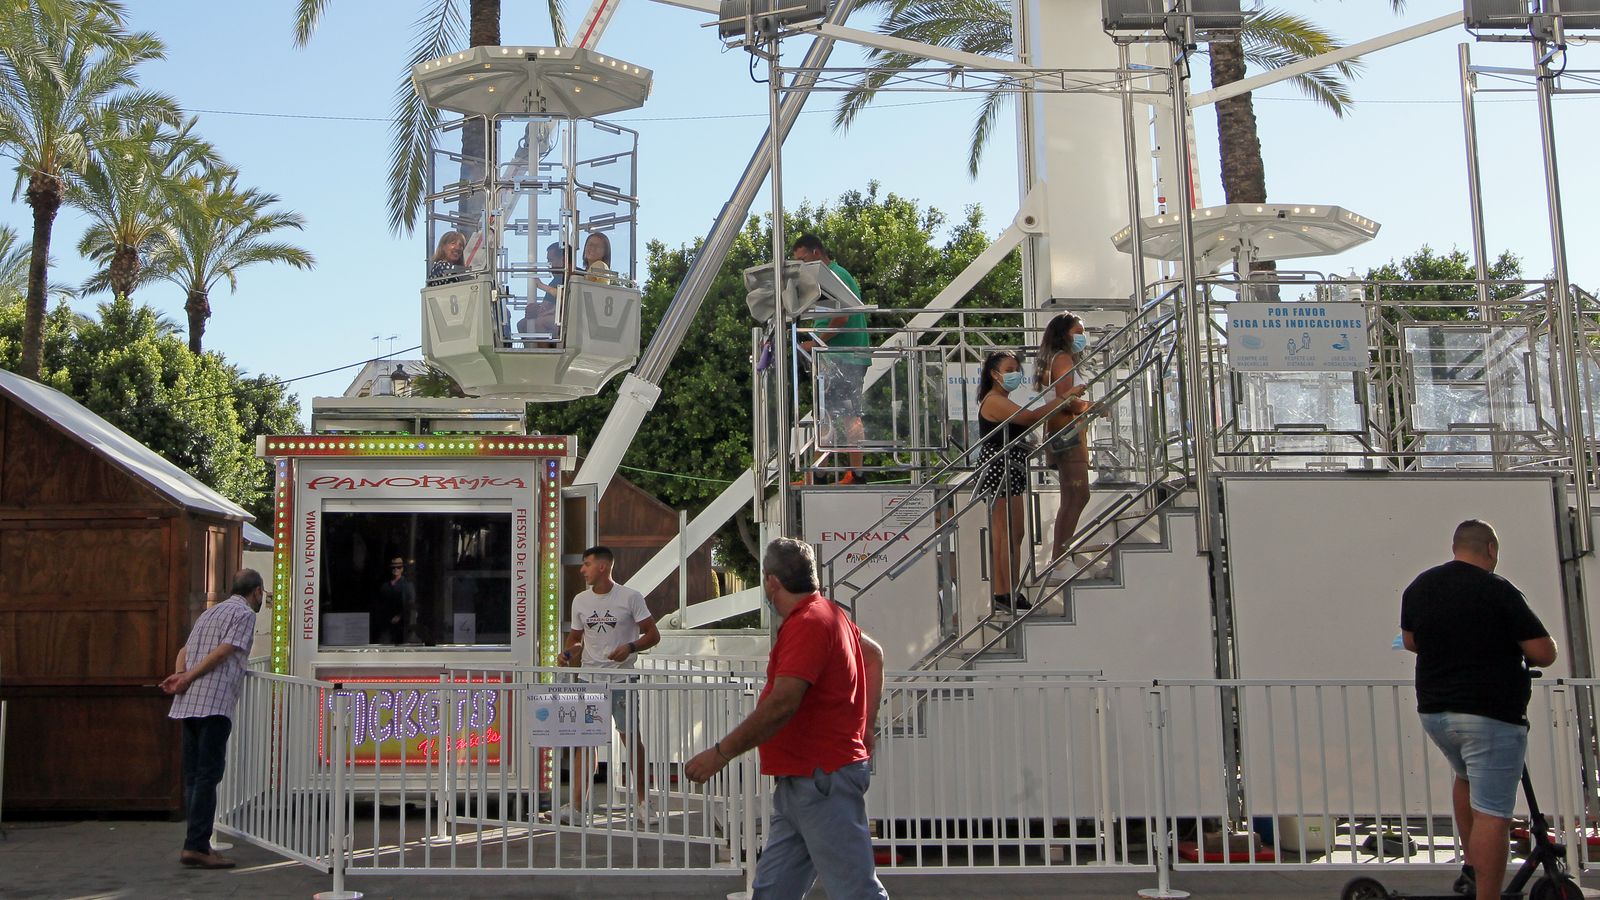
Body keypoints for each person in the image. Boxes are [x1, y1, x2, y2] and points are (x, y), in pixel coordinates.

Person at [685, 538, 888, 900]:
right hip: (806, 781)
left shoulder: (808, 623)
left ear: (772, 582)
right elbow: (874, 657)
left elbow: (783, 703)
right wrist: (866, 728)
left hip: (820, 778)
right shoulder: (830, 614)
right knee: (773, 891)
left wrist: (720, 753)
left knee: (856, 892)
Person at [1400, 519, 1558, 900]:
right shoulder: (1498, 590)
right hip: (1490, 715)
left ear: (1456, 546)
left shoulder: (1420, 586)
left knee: (1465, 776)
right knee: (1493, 812)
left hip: (1436, 712)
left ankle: (1471, 865)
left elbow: (1409, 641)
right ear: (1490, 549)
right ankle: (1486, 894)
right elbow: (1543, 653)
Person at [162, 569, 267, 870]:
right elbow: (224, 651)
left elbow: (185, 650)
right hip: (214, 701)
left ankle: (197, 841)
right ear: (257, 591)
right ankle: (196, 845)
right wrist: (189, 677)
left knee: (194, 776)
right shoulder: (244, 615)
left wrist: (182, 676)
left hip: (189, 703)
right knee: (208, 775)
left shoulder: (211, 612)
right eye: (263, 594)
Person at [557, 545, 660, 825]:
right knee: (586, 741)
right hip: (591, 680)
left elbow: (653, 634)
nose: (582, 570)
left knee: (630, 739)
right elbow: (576, 638)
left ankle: (642, 802)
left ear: (603, 567)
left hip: (622, 679)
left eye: (587, 564)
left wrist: (630, 647)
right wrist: (569, 653)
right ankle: (577, 806)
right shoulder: (580, 600)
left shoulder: (630, 597)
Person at [974, 350, 1078, 612]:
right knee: (1004, 534)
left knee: (1015, 534)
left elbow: (1026, 424)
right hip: (999, 467)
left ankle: (1008, 590)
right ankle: (1003, 592)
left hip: (1011, 467)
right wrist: (1064, 398)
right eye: (1009, 370)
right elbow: (1029, 417)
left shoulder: (999, 399)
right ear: (994, 374)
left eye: (1016, 369)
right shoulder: (994, 400)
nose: (1015, 374)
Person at [793, 233, 868, 485]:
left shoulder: (833, 276)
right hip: (835, 356)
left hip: (843, 357)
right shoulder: (828, 277)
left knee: (848, 414)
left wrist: (815, 341)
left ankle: (855, 475)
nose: (802, 267)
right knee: (825, 415)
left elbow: (842, 318)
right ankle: (820, 473)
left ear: (816, 253)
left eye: (803, 260)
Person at [1035, 313, 1094, 577]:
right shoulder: (1063, 359)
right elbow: (1065, 399)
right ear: (1064, 334)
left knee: (1071, 497)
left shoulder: (1051, 359)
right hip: (1067, 431)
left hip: (1059, 430)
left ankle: (1061, 556)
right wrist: (1090, 407)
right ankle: (1059, 559)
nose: (1081, 337)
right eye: (1077, 331)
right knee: (1077, 495)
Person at [518, 241, 568, 338]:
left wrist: (540, 285)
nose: (548, 265)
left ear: (562, 260)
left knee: (539, 323)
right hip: (556, 321)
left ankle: (541, 351)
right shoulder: (555, 281)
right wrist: (537, 309)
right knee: (522, 324)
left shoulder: (566, 278)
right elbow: (547, 305)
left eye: (550, 260)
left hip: (565, 323)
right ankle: (531, 350)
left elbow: (564, 297)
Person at [376, 557, 418, 645]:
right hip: (386, 625)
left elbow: (411, 605)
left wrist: (400, 616)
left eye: (398, 567)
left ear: (402, 569)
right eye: (393, 567)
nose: (396, 569)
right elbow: (380, 604)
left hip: (403, 627)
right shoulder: (385, 586)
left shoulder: (407, 585)